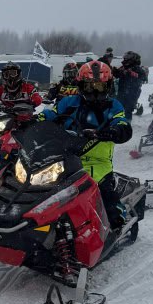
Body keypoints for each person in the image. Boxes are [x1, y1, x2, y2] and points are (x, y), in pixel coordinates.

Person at [41, 61, 132, 228]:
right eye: (90, 87)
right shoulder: (69, 102)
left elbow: (122, 123)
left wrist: (114, 131)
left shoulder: (113, 106)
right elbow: (50, 114)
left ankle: (117, 217)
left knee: (106, 196)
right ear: (81, 86)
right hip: (64, 158)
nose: (95, 92)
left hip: (97, 163)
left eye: (99, 87)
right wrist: (34, 119)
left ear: (108, 86)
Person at [114, 51, 148, 121]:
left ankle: (127, 124)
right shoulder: (124, 67)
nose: (125, 60)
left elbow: (143, 77)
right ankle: (117, 122)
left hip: (132, 92)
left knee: (128, 109)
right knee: (118, 107)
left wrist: (131, 73)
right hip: (122, 91)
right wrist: (115, 71)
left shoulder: (137, 68)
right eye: (125, 58)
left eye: (127, 59)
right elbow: (117, 75)